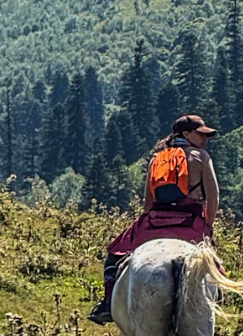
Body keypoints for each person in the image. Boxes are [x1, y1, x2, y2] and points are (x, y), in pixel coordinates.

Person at [89, 114, 220, 325]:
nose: (206, 140)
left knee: (114, 255)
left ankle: (107, 304)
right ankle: (218, 297)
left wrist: (147, 223)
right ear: (186, 134)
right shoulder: (202, 157)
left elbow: (148, 201)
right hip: (190, 221)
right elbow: (213, 197)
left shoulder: (157, 159)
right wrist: (207, 226)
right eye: (201, 134)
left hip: (155, 219)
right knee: (213, 265)